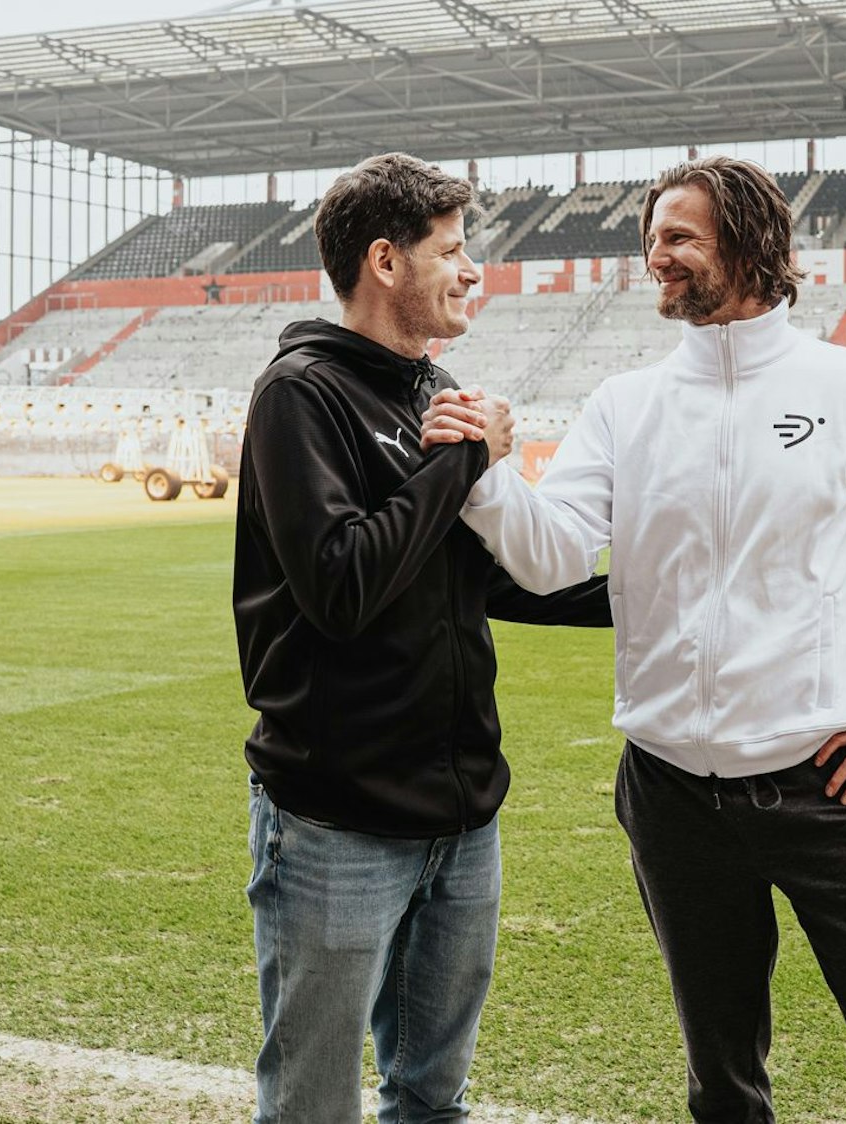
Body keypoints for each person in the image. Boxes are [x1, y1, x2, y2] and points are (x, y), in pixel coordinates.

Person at [425, 156, 846, 1123]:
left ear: (753, 245)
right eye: (652, 239)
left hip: (831, 785)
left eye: (679, 238)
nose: (658, 257)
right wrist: (487, 473)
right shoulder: (626, 404)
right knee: (722, 1072)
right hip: (671, 793)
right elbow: (553, 555)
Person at [233, 151, 610, 1124]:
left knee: (432, 1099)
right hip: (336, 820)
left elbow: (469, 576)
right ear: (384, 261)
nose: (473, 268)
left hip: (460, 815)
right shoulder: (299, 394)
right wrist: (464, 462)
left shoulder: (427, 386)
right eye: (451, 249)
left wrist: (653, 596)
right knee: (313, 1106)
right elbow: (344, 585)